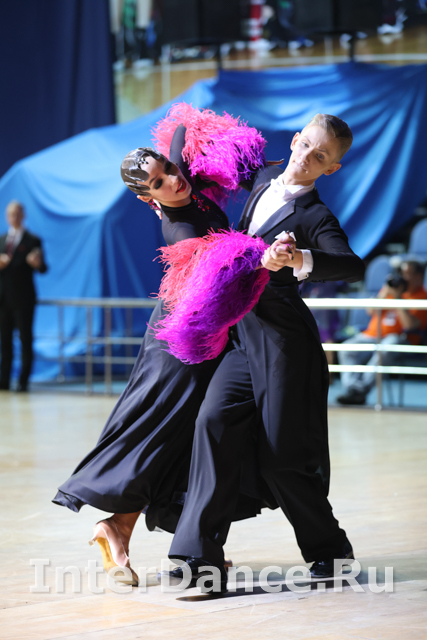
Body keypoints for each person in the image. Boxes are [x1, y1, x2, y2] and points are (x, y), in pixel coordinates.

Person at [53, 124, 266, 586]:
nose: (173, 178)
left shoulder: (178, 177)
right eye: (158, 182)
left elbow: (182, 131)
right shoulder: (182, 231)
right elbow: (226, 274)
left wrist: (196, 146)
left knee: (186, 435)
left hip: (204, 334)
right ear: (146, 198)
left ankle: (130, 530)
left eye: (168, 168)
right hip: (181, 341)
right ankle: (136, 529)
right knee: (165, 430)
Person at [163, 113, 365, 592]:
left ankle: (331, 552)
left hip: (284, 341)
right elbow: (194, 155)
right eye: (306, 145)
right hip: (242, 334)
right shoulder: (262, 177)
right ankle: (199, 558)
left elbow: (352, 266)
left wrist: (298, 258)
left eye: (321, 156)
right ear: (295, 140)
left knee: (282, 455)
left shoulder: (315, 217)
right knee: (212, 423)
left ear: (331, 168)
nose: (308, 157)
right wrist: (164, 190)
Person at [337, 260, 427, 405]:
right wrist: (386, 291)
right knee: (347, 348)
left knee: (386, 346)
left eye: (407, 274)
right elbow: (370, 311)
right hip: (372, 335)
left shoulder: (422, 296)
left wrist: (398, 298)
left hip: (400, 338)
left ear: (419, 276)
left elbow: (410, 325)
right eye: (401, 273)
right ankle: (353, 389)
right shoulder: (390, 290)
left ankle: (360, 391)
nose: (403, 277)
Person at [0, 201, 48, 392]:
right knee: (5, 342)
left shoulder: (32, 240)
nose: (15, 217)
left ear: (23, 215)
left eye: (18, 214)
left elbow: (43, 268)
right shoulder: (2, 240)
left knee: (25, 340)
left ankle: (23, 381)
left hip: (23, 299)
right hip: (3, 300)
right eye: (12, 214)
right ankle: (4, 380)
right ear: (7, 217)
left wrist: (37, 263)